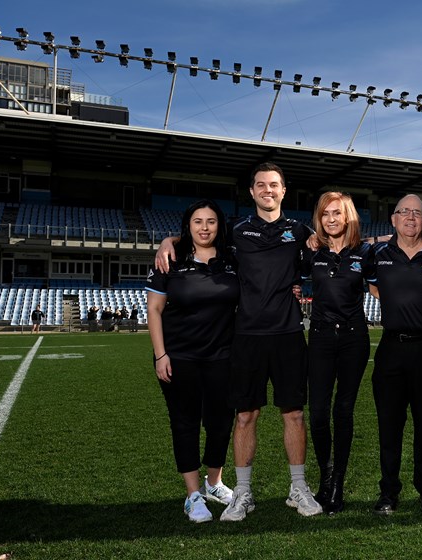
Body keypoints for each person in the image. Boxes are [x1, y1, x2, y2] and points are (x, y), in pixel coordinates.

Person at [156, 162, 322, 521]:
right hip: (244, 337)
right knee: (245, 415)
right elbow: (196, 236)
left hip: (289, 334)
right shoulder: (234, 231)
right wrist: (167, 240)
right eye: (260, 185)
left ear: (283, 190)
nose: (267, 190)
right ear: (251, 192)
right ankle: (242, 493)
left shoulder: (300, 230)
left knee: (293, 413)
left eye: (274, 185)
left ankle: (298, 488)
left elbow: (334, 249)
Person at [146, 199, 238, 523]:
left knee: (220, 423)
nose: (204, 227)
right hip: (179, 357)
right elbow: (154, 310)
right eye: (197, 221)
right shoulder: (170, 259)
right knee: (184, 424)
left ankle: (214, 483)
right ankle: (192, 495)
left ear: (219, 225)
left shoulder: (232, 259)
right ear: (188, 226)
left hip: (223, 357)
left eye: (211, 221)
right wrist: (160, 355)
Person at [366, 194, 422, 516]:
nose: (411, 218)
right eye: (404, 212)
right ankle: (388, 492)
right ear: (394, 219)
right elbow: (371, 285)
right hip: (391, 349)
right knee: (389, 424)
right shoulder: (378, 254)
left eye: (417, 213)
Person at [301, 192, 374, 514]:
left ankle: (338, 485)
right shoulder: (310, 252)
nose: (331, 219)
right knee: (317, 413)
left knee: (342, 412)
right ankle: (325, 476)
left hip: (353, 340)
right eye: (326, 214)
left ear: (348, 217)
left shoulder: (365, 253)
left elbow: (385, 286)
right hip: (318, 340)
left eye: (337, 213)